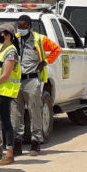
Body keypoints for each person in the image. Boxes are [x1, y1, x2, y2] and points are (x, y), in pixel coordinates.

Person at [12, 14, 61, 156]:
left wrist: (44, 62)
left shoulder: (39, 39)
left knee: (35, 112)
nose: (20, 29)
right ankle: (17, 144)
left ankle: (35, 143)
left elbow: (56, 49)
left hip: (32, 80)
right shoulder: (16, 39)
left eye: (23, 27)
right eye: (19, 27)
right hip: (16, 81)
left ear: (29, 26)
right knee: (16, 114)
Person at [0, 23, 21, 166]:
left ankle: (9, 154)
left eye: (0, 33)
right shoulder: (0, 48)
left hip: (5, 91)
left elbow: (6, 75)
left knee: (5, 122)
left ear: (8, 35)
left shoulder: (11, 51)